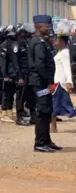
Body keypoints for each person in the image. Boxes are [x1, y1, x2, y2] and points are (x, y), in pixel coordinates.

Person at [28, 15, 61, 152]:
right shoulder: (38, 43)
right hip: (40, 83)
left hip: (43, 82)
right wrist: (49, 83)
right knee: (42, 111)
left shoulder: (41, 41)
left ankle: (47, 140)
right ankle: (40, 143)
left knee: (47, 110)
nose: (49, 29)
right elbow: (40, 65)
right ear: (38, 27)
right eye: (46, 26)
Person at [50, 24, 75, 133]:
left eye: (57, 41)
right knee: (56, 106)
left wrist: (69, 81)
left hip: (61, 83)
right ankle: (53, 126)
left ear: (62, 42)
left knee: (62, 107)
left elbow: (67, 68)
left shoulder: (65, 53)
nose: (55, 43)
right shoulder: (60, 52)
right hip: (56, 82)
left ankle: (53, 127)